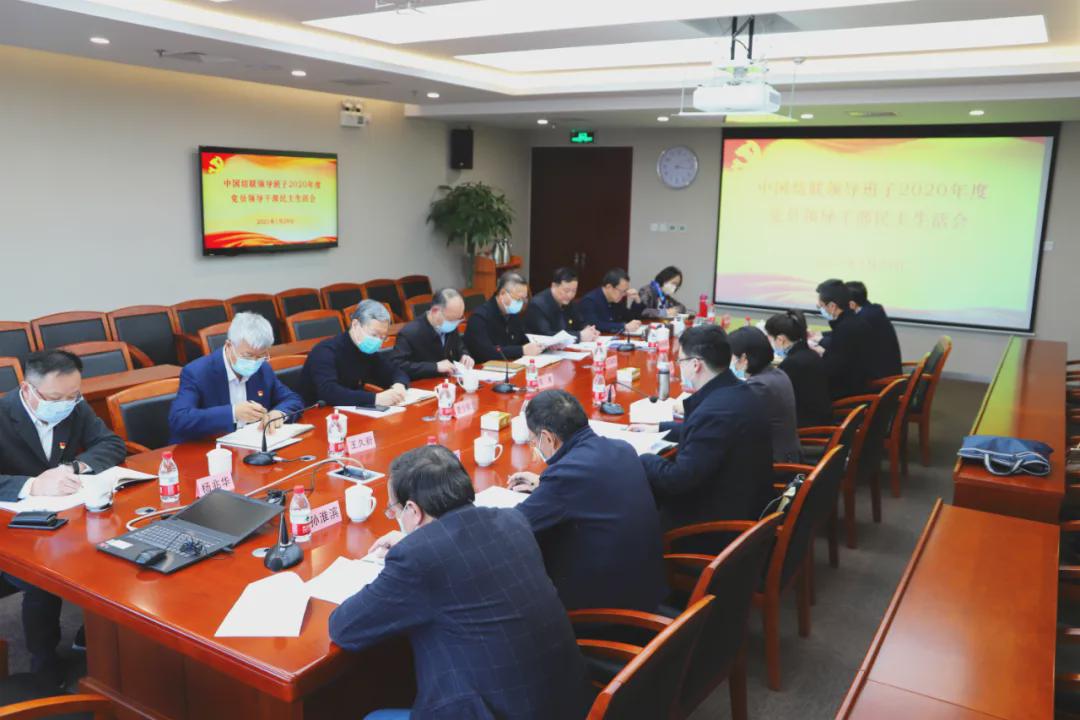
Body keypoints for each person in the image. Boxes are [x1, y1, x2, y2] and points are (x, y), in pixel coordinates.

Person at [329, 445, 587, 720]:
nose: (395, 517)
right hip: (567, 704)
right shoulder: (513, 520)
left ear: (413, 510)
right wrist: (415, 544)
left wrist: (410, 551)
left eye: (394, 509)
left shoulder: (418, 558)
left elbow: (344, 628)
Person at [0, 350, 125, 685]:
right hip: (11, 526)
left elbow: (111, 444)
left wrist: (73, 467)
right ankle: (43, 663)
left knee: (115, 548)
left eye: (73, 396)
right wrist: (32, 485)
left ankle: (93, 632)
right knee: (41, 579)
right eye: (55, 398)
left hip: (63, 516)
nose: (65, 404)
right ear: (27, 389)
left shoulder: (74, 405)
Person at [507, 390, 665, 612]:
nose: (535, 446)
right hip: (647, 590)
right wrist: (544, 487)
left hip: (607, 614)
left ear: (548, 438)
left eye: (534, 440)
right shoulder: (622, 448)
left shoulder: (565, 476)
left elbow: (515, 526)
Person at [637, 325, 774, 530]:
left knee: (632, 503)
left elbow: (677, 480)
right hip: (745, 504)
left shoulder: (714, 412)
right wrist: (659, 429)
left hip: (715, 527)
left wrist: (642, 457)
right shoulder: (738, 391)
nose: (679, 367)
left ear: (695, 365)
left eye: (680, 361)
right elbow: (711, 435)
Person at [168, 312, 303, 444]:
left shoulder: (262, 368)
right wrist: (233, 413)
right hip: (208, 449)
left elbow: (292, 399)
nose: (254, 362)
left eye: (260, 356)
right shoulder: (197, 372)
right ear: (229, 346)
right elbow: (179, 419)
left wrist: (279, 413)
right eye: (248, 355)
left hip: (253, 446)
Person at [301, 300, 410, 408]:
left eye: (383, 337)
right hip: (315, 412)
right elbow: (329, 392)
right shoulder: (325, 351)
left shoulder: (367, 351)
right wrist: (376, 399)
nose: (378, 341)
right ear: (355, 325)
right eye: (374, 335)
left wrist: (399, 385)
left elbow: (395, 371)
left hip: (349, 410)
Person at [728, 327, 800, 463]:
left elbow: (733, 423)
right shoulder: (776, 373)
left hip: (774, 462)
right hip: (785, 453)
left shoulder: (759, 386)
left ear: (744, 358)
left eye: (731, 356)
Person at [389, 288, 476, 381]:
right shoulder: (409, 333)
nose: (455, 324)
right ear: (435, 311)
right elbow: (397, 365)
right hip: (423, 384)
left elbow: (459, 346)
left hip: (448, 381)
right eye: (451, 320)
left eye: (458, 319)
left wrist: (465, 355)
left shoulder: (450, 326)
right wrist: (435, 367)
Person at [765, 310, 833, 427]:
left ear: (780, 339)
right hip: (821, 420)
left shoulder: (791, 364)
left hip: (805, 427)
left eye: (769, 338)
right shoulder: (811, 354)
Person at [464, 271, 542, 363]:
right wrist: (521, 350)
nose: (521, 303)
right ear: (502, 293)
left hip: (511, 364)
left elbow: (522, 341)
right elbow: (485, 353)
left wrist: (539, 346)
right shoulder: (479, 317)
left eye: (523, 299)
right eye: (518, 299)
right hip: (484, 367)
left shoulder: (513, 315)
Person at [815, 280, 874, 399]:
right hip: (860, 387)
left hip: (846, 396)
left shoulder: (844, 329)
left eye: (821, 306)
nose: (820, 309)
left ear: (832, 306)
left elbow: (831, 370)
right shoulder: (858, 322)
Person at [523, 267, 600, 342]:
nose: (570, 295)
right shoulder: (537, 305)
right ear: (554, 286)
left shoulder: (569, 302)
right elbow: (546, 335)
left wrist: (589, 330)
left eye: (574, 291)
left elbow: (579, 322)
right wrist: (579, 336)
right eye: (566, 291)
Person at [846, 280, 903, 379]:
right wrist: (821, 335)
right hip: (887, 371)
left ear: (852, 304)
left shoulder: (864, 318)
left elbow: (845, 340)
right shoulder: (872, 310)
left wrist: (822, 340)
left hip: (880, 379)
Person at [576, 268, 645, 335]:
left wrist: (637, 301)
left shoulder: (616, 300)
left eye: (625, 291)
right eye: (622, 291)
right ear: (609, 287)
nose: (624, 294)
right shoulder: (589, 301)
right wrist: (623, 327)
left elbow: (631, 318)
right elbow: (595, 325)